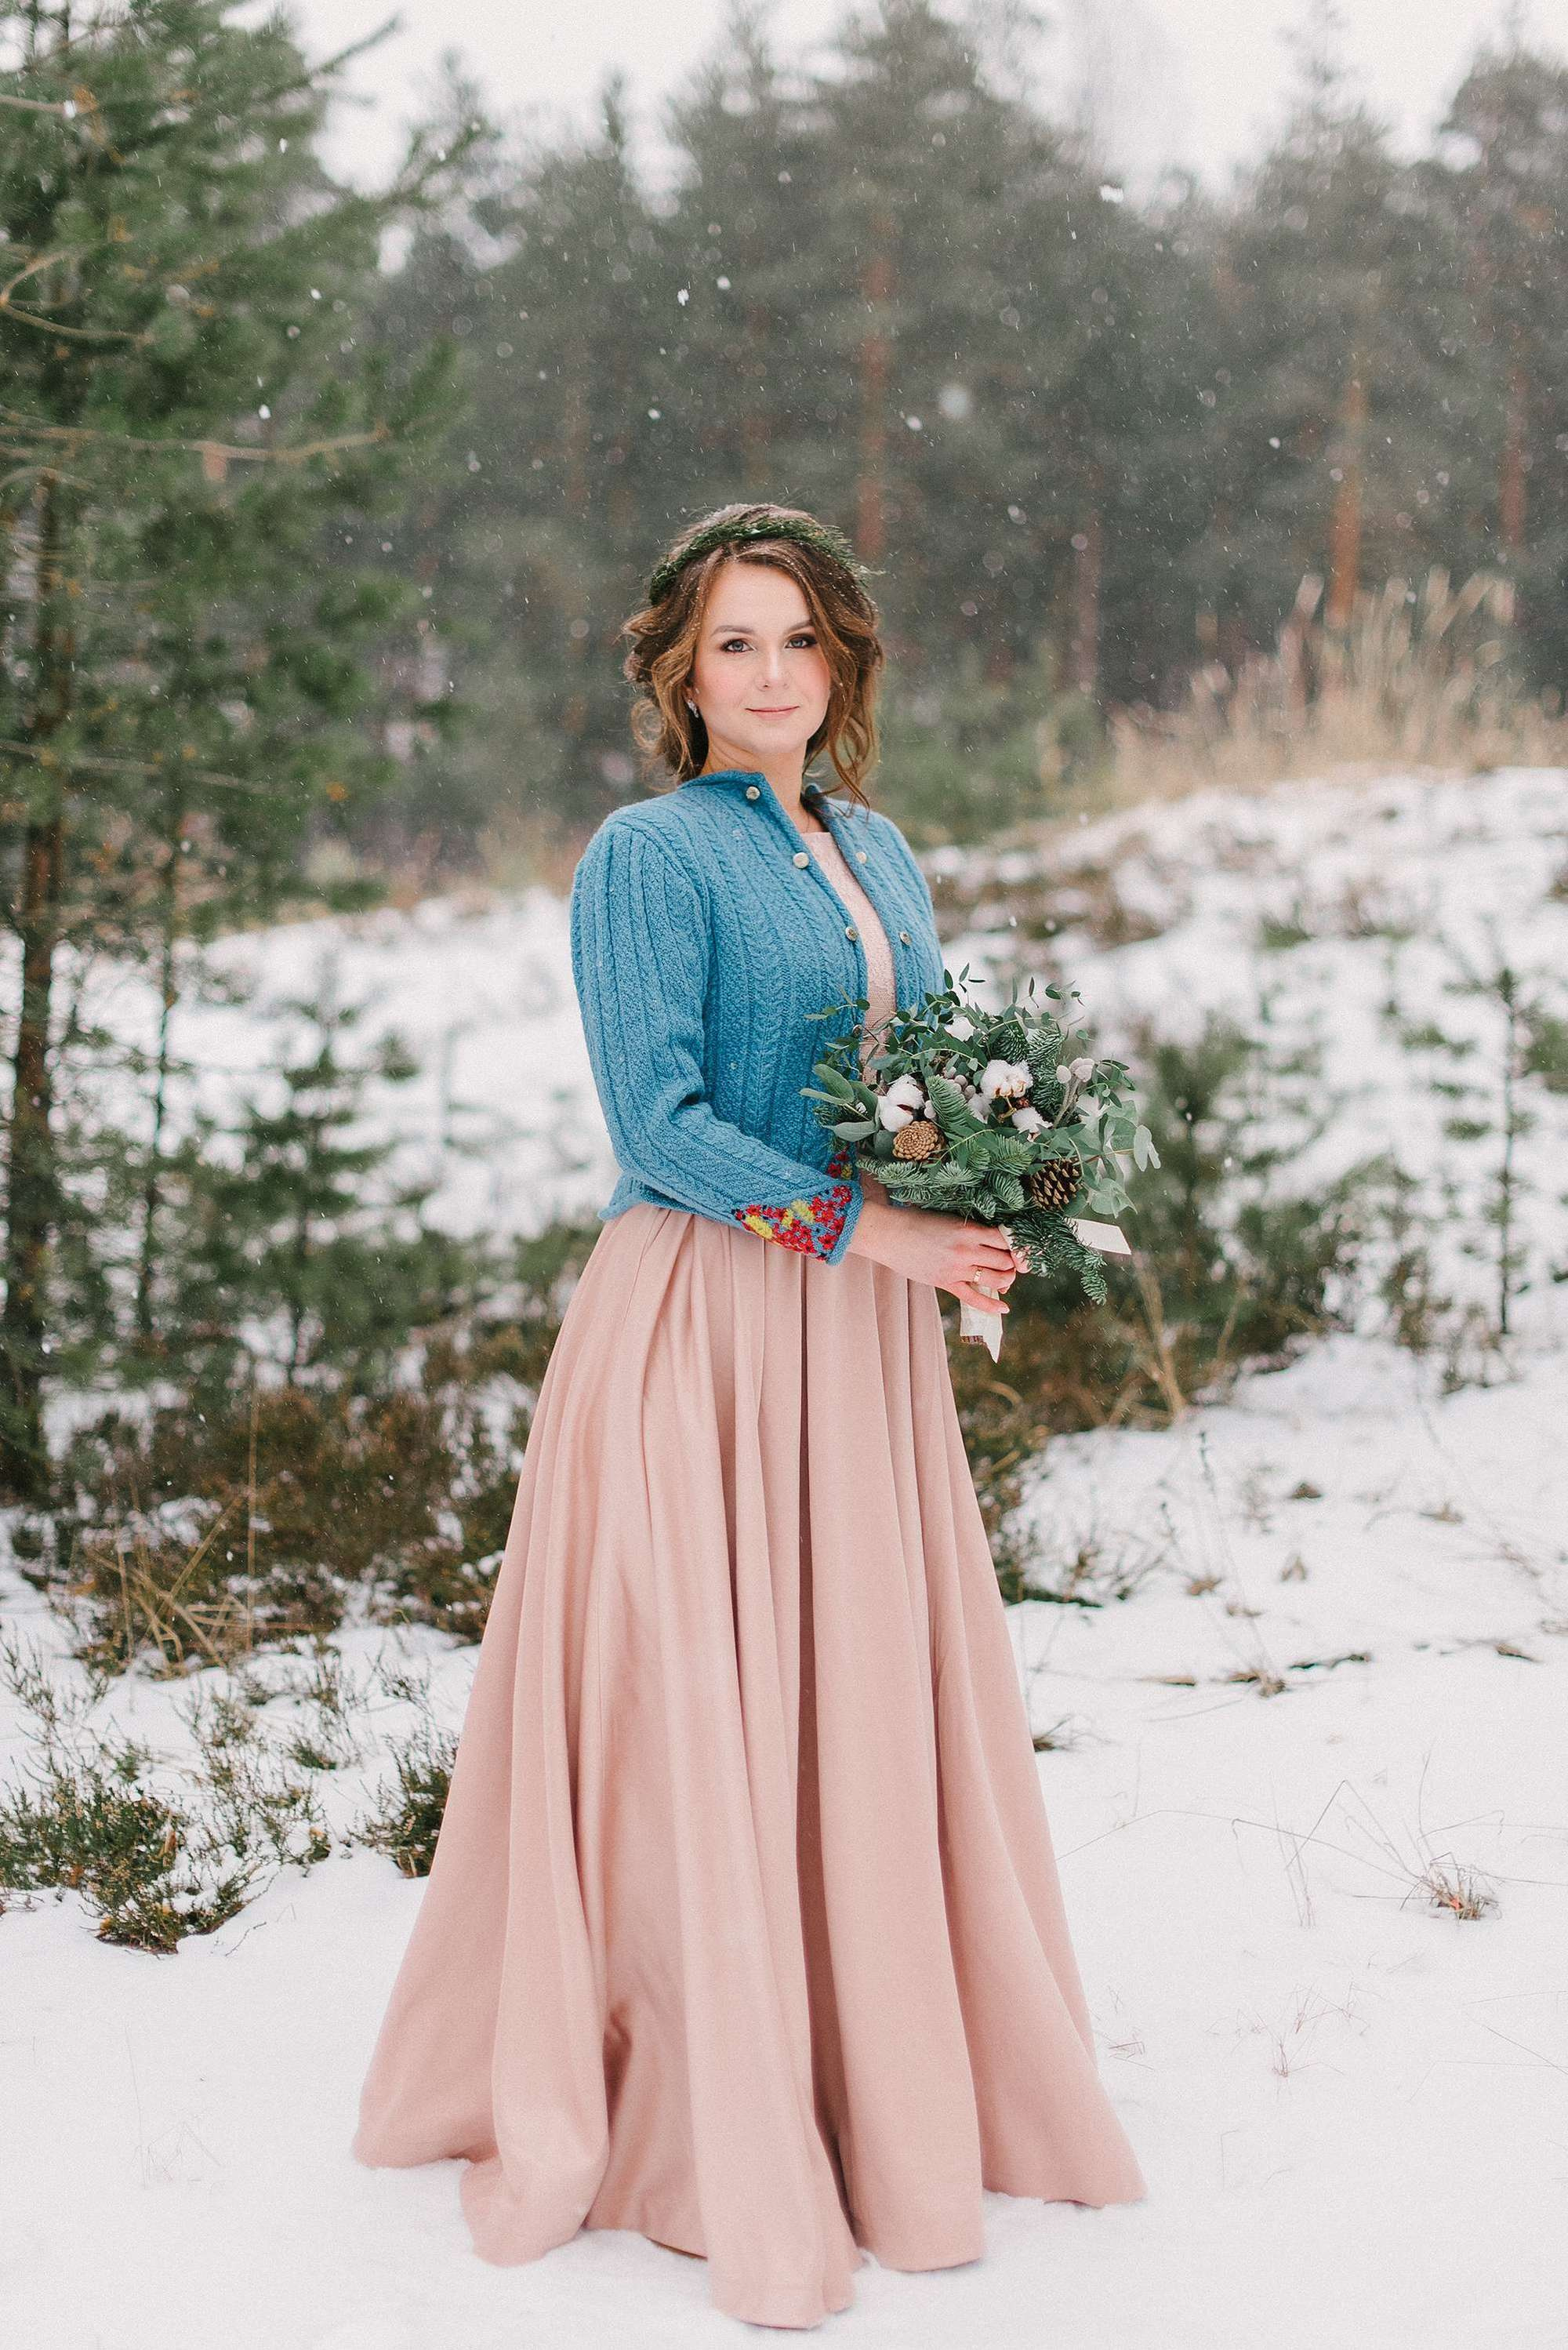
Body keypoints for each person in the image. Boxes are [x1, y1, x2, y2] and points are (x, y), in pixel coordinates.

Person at [352, 501, 1147, 2330]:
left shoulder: (877, 843)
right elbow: (662, 1126)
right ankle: (707, 2083)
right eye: (734, 643)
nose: (771, 672)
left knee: (851, 1686)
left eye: (799, 639)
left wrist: (981, 1200)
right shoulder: (645, 856)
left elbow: (910, 1079)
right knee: (696, 1699)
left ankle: (872, 2065)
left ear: (840, 662)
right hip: (704, 1321)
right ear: (678, 673)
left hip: (860, 1343)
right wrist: (873, 1228)